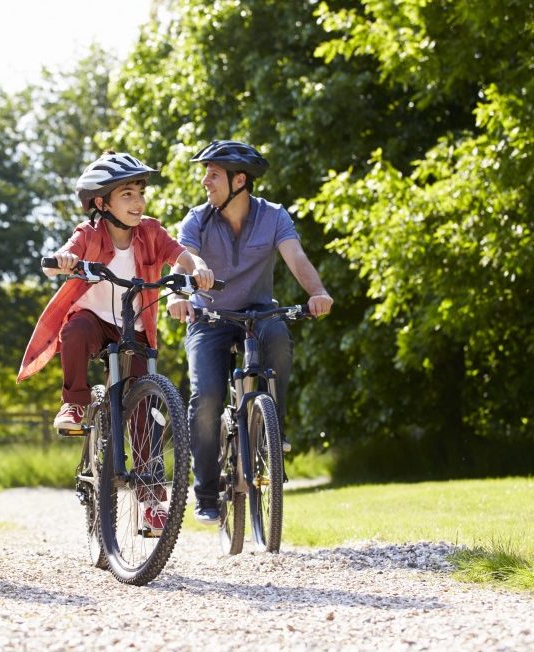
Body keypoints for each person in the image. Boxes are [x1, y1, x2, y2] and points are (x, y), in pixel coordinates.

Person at [17, 151, 214, 532]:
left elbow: (179, 253)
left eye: (140, 193)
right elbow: (70, 250)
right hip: (93, 319)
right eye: (127, 194)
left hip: (133, 325)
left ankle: (151, 499)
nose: (138, 202)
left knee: (146, 408)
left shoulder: (151, 231)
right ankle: (73, 404)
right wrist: (65, 260)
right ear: (101, 202)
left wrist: (199, 268)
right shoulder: (89, 233)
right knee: (73, 332)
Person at [167, 140, 334, 524]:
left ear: (239, 180)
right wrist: (179, 294)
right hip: (209, 317)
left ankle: (272, 434)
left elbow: (296, 257)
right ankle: (206, 491)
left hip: (258, 313)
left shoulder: (274, 216)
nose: (205, 182)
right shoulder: (196, 219)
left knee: (278, 337)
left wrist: (318, 293)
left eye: (213, 174)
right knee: (206, 397)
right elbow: (185, 260)